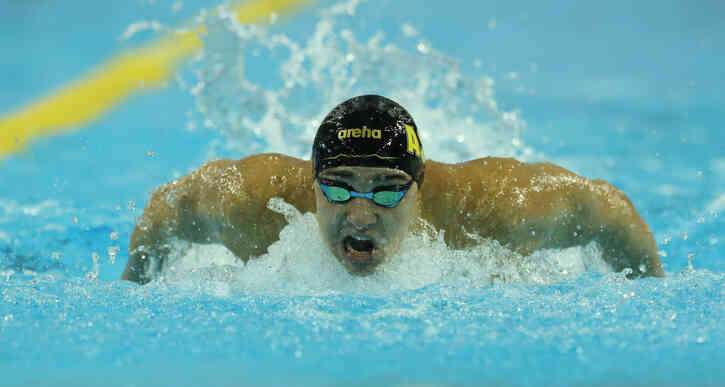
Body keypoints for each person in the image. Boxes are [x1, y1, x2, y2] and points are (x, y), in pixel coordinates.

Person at [121, 94, 664, 284]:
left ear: (420, 186)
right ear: (310, 182)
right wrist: (134, 285)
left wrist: (650, 294)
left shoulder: (498, 210)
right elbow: (164, 211)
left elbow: (611, 213)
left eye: (386, 191)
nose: (359, 216)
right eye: (336, 188)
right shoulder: (247, 205)